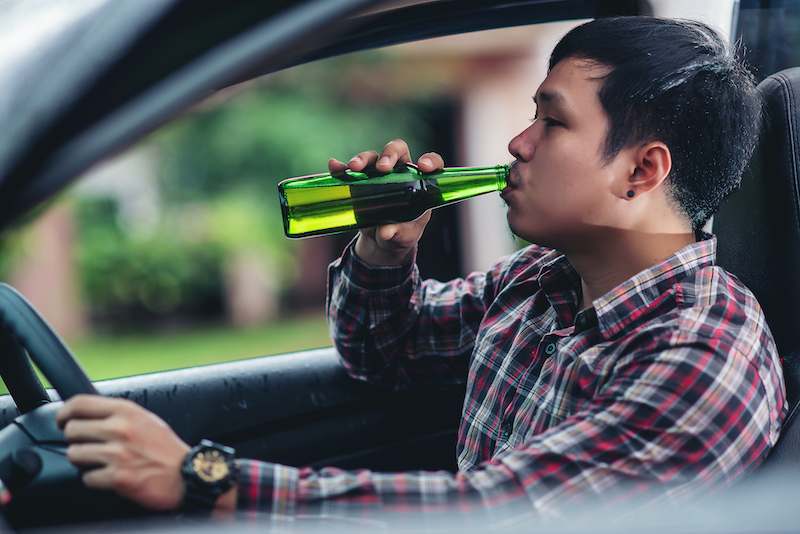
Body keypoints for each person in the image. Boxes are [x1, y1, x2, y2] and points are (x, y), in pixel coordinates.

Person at [56, 16, 786, 522]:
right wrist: (387, 246)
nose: (517, 142)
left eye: (552, 121)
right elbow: (385, 352)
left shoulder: (706, 353)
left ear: (641, 171)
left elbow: (499, 515)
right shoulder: (540, 279)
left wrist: (204, 480)